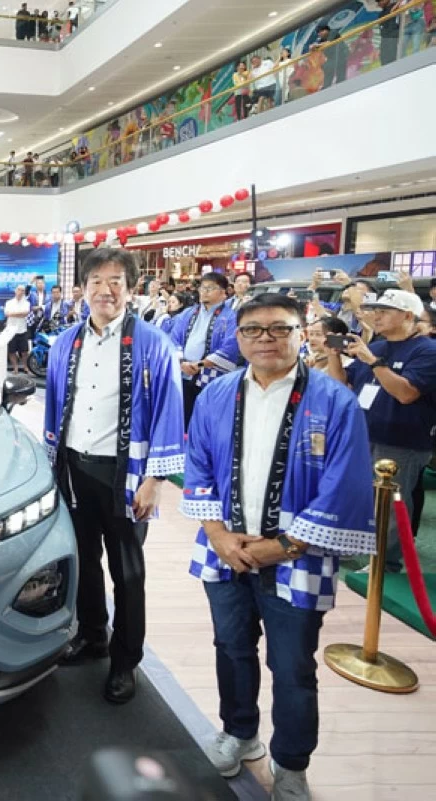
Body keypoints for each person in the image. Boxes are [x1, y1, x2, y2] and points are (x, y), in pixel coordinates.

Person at [182, 293, 375, 799]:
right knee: (231, 648)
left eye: (279, 329)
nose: (265, 339)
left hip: (299, 556)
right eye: (253, 330)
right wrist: (220, 535)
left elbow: (345, 483)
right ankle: (240, 734)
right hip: (225, 550)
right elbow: (198, 463)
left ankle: (291, 763)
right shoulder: (217, 394)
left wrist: (286, 545)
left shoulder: (335, 401)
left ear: (300, 331)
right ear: (238, 337)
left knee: (291, 665)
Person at [44, 248, 185, 705]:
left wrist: (154, 480)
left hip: (125, 476)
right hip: (75, 469)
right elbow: (53, 405)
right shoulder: (66, 342)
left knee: (127, 572)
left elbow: (168, 411)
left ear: (131, 287)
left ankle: (126, 659)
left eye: (116, 281)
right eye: (96, 281)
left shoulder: (154, 344)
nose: (106, 290)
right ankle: (91, 635)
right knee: (83, 560)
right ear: (82, 289)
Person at [326, 289, 436, 573]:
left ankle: (386, 563)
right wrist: (334, 356)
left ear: (408, 316)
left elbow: (406, 393)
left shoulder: (427, 351)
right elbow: (343, 384)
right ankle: (350, 545)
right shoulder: (376, 347)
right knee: (356, 494)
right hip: (364, 433)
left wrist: (373, 362)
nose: (376, 316)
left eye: (385, 311)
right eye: (375, 310)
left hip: (402, 440)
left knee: (390, 503)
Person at [171, 272, 238, 426]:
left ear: (223, 293)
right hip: (184, 372)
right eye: (202, 287)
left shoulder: (231, 317)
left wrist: (199, 364)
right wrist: (182, 362)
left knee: (206, 420)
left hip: (211, 375)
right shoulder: (188, 313)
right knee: (182, 417)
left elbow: (230, 347)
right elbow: (174, 339)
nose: (204, 291)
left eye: (210, 288)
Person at [0, 285, 30, 392]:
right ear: (15, 291)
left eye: (23, 290)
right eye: (19, 290)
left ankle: (26, 366)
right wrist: (18, 314)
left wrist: (14, 314)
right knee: (12, 351)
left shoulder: (27, 303)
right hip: (11, 330)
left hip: (22, 329)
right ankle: (15, 367)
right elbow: (7, 313)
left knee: (24, 351)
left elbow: (25, 313)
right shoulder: (9, 302)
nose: (21, 292)